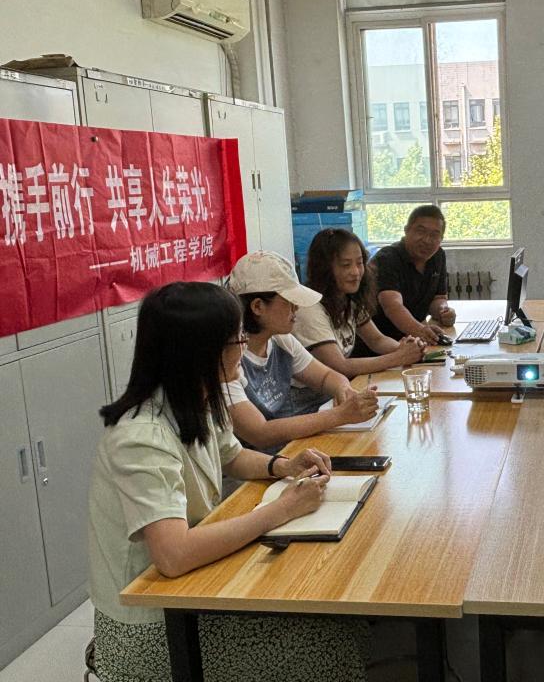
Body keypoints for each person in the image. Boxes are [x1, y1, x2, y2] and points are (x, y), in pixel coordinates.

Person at [88, 281, 369, 682]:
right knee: (326, 647)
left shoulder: (197, 397)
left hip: (190, 595)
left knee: (338, 623)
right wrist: (282, 509)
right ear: (204, 351)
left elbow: (231, 455)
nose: (244, 344)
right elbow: (173, 555)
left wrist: (284, 466)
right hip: (150, 629)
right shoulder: (140, 437)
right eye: (236, 338)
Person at [225, 250, 379, 450]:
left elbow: (326, 377)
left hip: (288, 451)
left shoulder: (282, 340)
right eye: (289, 302)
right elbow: (260, 433)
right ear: (258, 307)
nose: (296, 308)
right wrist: (340, 415)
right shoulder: (228, 361)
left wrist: (344, 391)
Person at [293, 228, 426, 376]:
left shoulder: (349, 299)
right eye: (346, 265)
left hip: (338, 385)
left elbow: (377, 340)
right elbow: (340, 366)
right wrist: (398, 357)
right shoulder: (309, 307)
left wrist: (408, 348)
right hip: (314, 391)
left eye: (359, 263)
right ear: (324, 268)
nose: (356, 272)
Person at [367, 205, 456, 344]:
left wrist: (443, 311)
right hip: (379, 342)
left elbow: (438, 298)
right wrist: (420, 330)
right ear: (406, 230)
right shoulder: (387, 258)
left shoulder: (438, 256)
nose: (427, 240)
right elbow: (392, 306)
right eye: (421, 232)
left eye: (434, 235)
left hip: (413, 339)